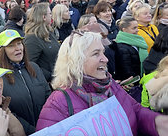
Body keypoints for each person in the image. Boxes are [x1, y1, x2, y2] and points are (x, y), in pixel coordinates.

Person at [36, 31, 168, 136]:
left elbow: (136, 111)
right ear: (76, 61)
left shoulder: (111, 86)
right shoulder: (58, 103)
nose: (105, 59)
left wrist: (156, 122)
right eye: (96, 54)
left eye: (103, 52)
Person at [0, 30, 51, 135]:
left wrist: (47, 122)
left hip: (47, 127)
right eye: (11, 46)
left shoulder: (34, 67)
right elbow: (7, 110)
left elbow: (48, 95)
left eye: (19, 43)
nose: (18, 48)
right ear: (3, 51)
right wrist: (31, 130)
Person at [24, 3, 60, 82]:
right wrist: (50, 76)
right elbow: (30, 64)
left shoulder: (49, 32)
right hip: (47, 82)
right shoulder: (32, 38)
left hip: (58, 78)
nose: (51, 16)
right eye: (50, 14)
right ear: (44, 17)